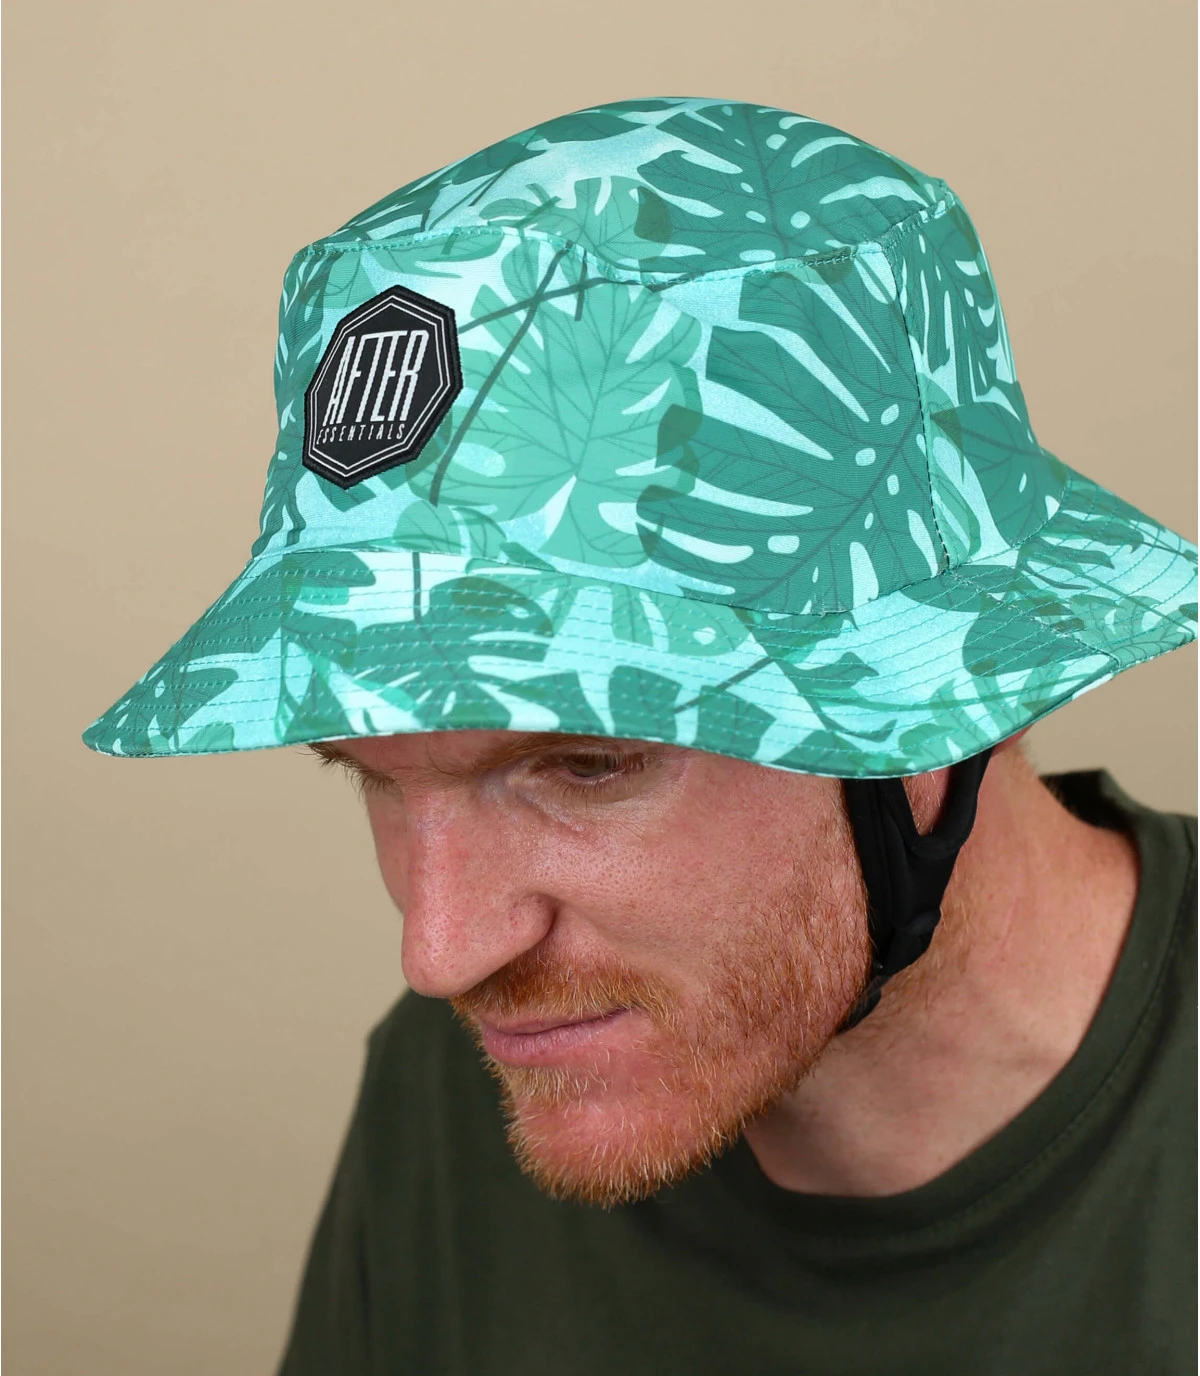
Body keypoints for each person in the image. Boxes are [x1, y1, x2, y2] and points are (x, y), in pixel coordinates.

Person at [84, 98, 1197, 1374]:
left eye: (584, 762)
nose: (441, 952)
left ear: (931, 701)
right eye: (374, 779)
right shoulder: (458, 1091)